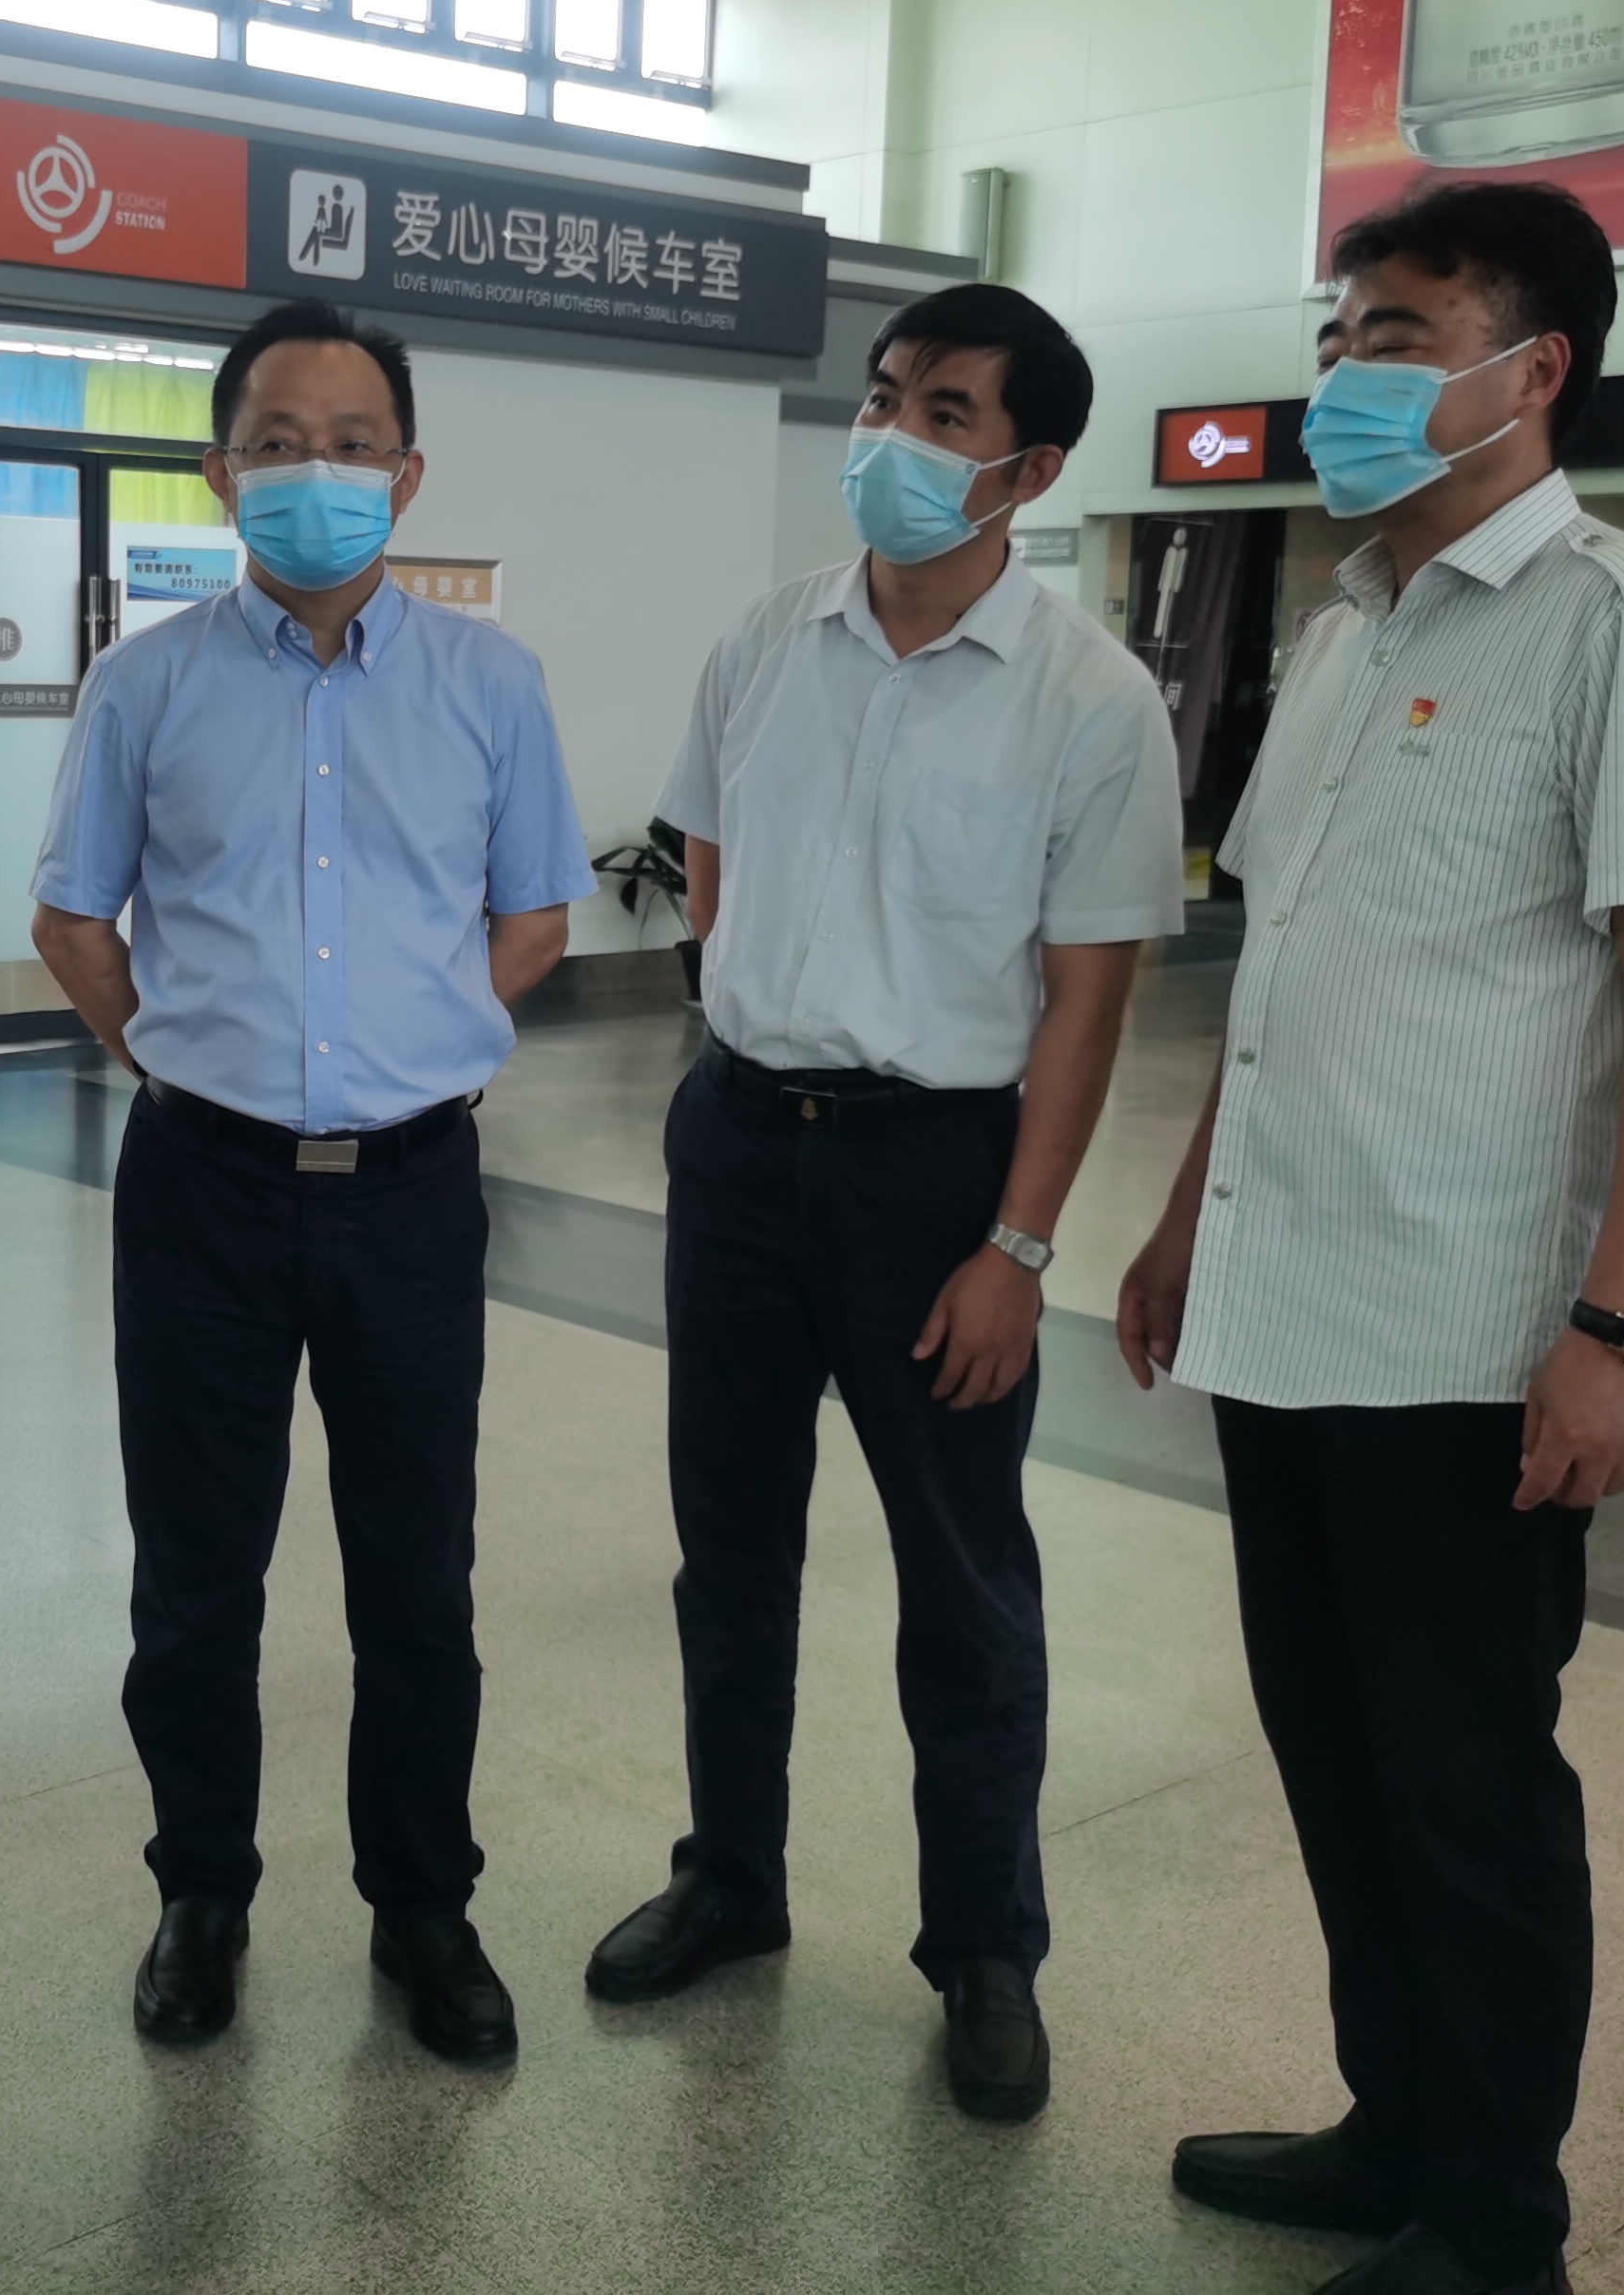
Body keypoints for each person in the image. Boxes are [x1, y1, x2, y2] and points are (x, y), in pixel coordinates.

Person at [1118, 182, 1624, 2295]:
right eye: (1343, 335)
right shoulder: (1343, 630)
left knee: (1467, 1790)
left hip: (1464, 1336)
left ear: (1533, 369)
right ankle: (1394, 2129)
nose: (1350, 374)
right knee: (1337, 1761)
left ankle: (1495, 2225)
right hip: (1284, 1302)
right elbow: (1287, 967)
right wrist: (1187, 1220)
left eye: (1399, 335)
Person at [587, 283, 1182, 2122]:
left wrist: (1016, 1245)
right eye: (886, 397)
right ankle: (730, 1877)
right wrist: (749, 1036)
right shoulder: (767, 641)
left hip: (938, 1176)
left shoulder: (1093, 700)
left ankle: (986, 1948)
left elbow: (1087, 1001)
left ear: (1029, 469)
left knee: (962, 1577)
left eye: (945, 415)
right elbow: (707, 867)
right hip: (740, 1143)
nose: (894, 439)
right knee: (729, 1546)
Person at [29, 300, 594, 2065]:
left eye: (352, 444)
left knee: (416, 1578)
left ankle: (424, 1907)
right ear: (222, 472)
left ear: (406, 476)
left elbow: (534, 921)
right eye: (277, 442)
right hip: (200, 1189)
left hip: (412, 1196)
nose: (315, 473)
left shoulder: (493, 686)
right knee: (197, 1578)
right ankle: (200, 1893)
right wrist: (188, 1056)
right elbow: (73, 919)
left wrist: (402, 1042)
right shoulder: (146, 685)